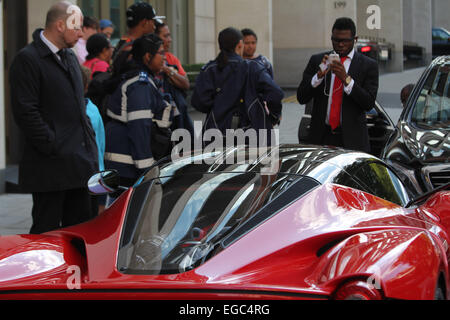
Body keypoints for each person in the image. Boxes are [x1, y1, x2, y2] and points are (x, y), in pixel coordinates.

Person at [9, 1, 99, 234]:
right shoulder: (27, 59)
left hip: (79, 167)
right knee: (45, 235)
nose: (81, 34)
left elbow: (80, 111)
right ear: (60, 25)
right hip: (49, 169)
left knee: (80, 233)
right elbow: (26, 112)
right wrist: (53, 144)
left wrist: (89, 152)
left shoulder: (69, 57)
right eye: (76, 27)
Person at [105, 34, 177, 189]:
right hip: (127, 167)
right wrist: (148, 170)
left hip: (126, 164)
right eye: (161, 53)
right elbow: (139, 128)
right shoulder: (140, 85)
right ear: (147, 56)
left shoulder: (142, 81)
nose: (165, 58)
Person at [297, 17, 379, 153]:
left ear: (355, 39)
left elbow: (368, 103)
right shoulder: (318, 60)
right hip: (321, 139)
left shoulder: (368, 65)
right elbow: (301, 97)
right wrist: (318, 77)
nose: (340, 44)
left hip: (353, 142)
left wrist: (346, 79)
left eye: (345, 41)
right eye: (336, 40)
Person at [191, 27, 284, 144]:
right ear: (240, 45)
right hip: (253, 133)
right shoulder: (252, 67)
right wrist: (273, 117)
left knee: (220, 163)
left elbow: (198, 102)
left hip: (216, 133)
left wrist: (218, 105)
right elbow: (276, 93)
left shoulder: (209, 69)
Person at [155, 21, 194, 136]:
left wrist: (168, 70)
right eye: (165, 36)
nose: (170, 39)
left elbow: (186, 84)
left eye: (169, 35)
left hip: (177, 117)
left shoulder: (171, 59)